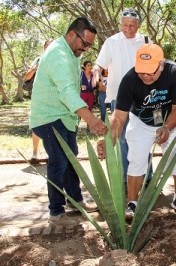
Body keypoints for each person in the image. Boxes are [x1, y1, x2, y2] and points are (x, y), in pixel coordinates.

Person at [97, 44, 176, 217]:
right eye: (141, 72)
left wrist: (167, 128)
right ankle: (132, 203)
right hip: (141, 122)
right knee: (136, 159)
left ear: (161, 65)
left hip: (172, 120)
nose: (146, 76)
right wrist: (108, 142)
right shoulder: (129, 80)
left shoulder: (175, 73)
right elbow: (118, 117)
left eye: (151, 72)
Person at [29, 17, 108, 227]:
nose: (86, 48)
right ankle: (56, 213)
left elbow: (71, 93)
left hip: (64, 117)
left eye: (90, 45)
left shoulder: (72, 52)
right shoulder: (58, 54)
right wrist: (90, 119)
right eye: (85, 43)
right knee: (59, 162)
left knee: (71, 158)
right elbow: (67, 93)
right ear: (72, 34)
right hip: (48, 117)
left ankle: (76, 201)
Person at [93, 8, 151, 183]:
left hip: (143, 97)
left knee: (144, 137)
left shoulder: (146, 41)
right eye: (125, 25)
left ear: (138, 25)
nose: (128, 29)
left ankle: (147, 177)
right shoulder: (111, 42)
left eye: (132, 25)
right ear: (121, 24)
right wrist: (95, 71)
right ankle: (127, 179)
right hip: (119, 98)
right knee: (123, 138)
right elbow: (99, 64)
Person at [25, 39, 53, 161]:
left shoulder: (57, 61)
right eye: (48, 46)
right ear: (44, 48)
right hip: (38, 97)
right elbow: (27, 77)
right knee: (37, 123)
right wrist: (37, 67)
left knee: (51, 125)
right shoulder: (38, 60)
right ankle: (35, 153)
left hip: (52, 99)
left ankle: (50, 153)